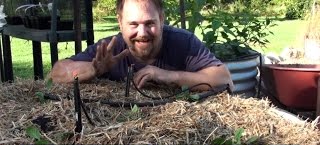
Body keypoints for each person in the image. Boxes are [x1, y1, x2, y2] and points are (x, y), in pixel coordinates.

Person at [50, 0, 234, 92]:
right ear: (120, 23)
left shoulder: (183, 42)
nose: (142, 33)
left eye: (149, 23)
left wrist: (168, 76)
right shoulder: (109, 48)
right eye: (133, 24)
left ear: (162, 19)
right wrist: (93, 69)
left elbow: (225, 79)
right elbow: (56, 73)